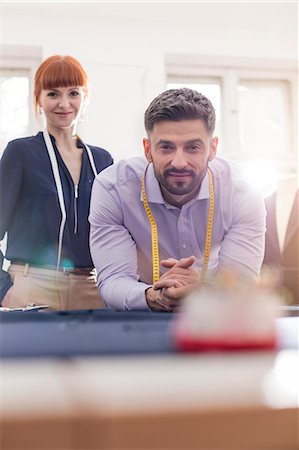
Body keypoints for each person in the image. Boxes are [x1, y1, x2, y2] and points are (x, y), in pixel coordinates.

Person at [89, 88, 266, 312]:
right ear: (148, 150)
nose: (179, 162)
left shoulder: (241, 190)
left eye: (193, 147)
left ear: (212, 148)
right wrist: (152, 296)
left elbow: (242, 284)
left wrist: (200, 292)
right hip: (141, 315)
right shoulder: (113, 188)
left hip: (215, 312)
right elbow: (113, 281)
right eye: (166, 147)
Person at [0, 55, 113, 310]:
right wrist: (4, 290)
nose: (64, 103)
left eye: (73, 93)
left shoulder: (102, 160)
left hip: (90, 287)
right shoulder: (20, 153)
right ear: (38, 99)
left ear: (85, 98)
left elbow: (114, 233)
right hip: (32, 285)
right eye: (53, 94)